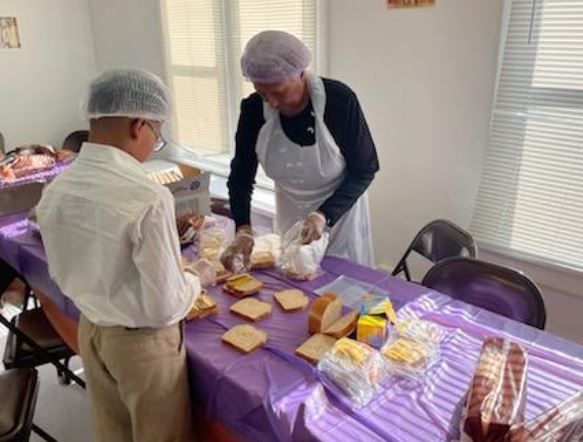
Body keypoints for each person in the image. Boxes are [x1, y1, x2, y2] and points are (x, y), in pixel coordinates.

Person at [36, 69, 200, 442]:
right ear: (139, 125)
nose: (152, 146)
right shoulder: (147, 195)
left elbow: (64, 272)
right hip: (143, 346)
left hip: (92, 330)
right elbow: (163, 307)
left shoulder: (58, 187)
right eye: (156, 136)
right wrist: (194, 278)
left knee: (114, 432)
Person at [221, 30, 379, 272]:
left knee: (344, 292)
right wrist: (243, 228)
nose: (272, 103)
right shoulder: (253, 110)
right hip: (291, 218)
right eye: (263, 94)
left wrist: (323, 215)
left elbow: (365, 169)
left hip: (340, 218)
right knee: (297, 285)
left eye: (279, 91)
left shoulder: (339, 101)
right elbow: (241, 176)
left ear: (301, 74)